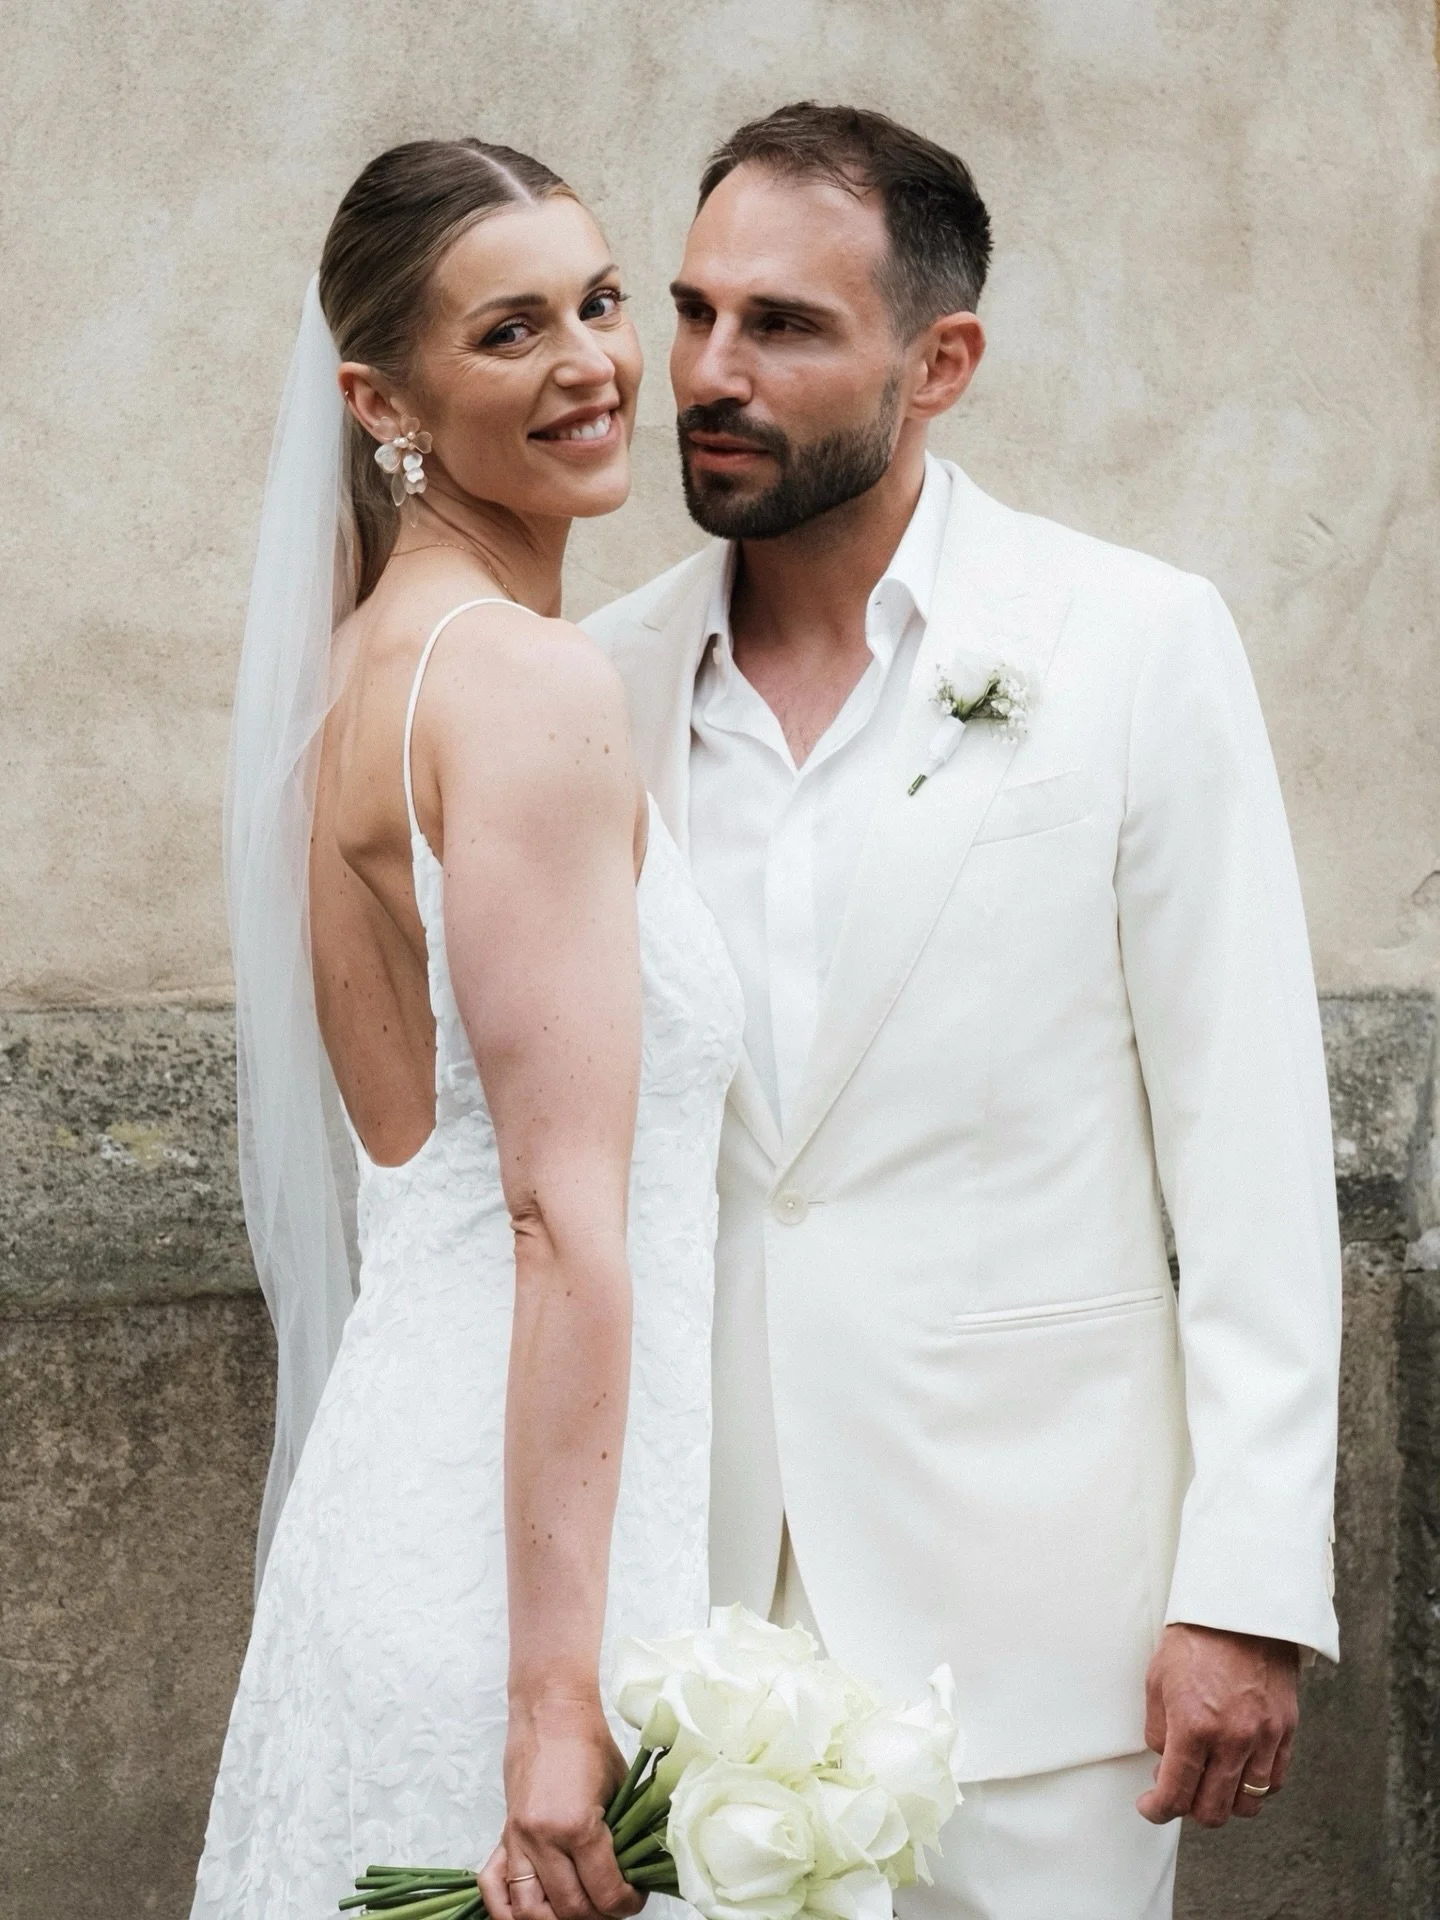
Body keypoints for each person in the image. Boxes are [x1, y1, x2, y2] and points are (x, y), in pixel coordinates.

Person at [584, 102, 1342, 1920]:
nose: (708, 371)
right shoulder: (590, 688)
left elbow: (1248, 1148)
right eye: (692, 314)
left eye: (783, 326)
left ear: (941, 363)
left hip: (1042, 1645)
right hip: (679, 1639)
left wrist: (1243, 1587)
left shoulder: (1135, 645)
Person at [193, 139, 741, 1920]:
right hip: (529, 1565)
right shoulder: (516, 682)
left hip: (399, 1499)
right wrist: (558, 1703)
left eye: (598, 301)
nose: (591, 363)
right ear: (382, 400)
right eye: (510, 332)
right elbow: (557, 1215)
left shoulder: (355, 674)